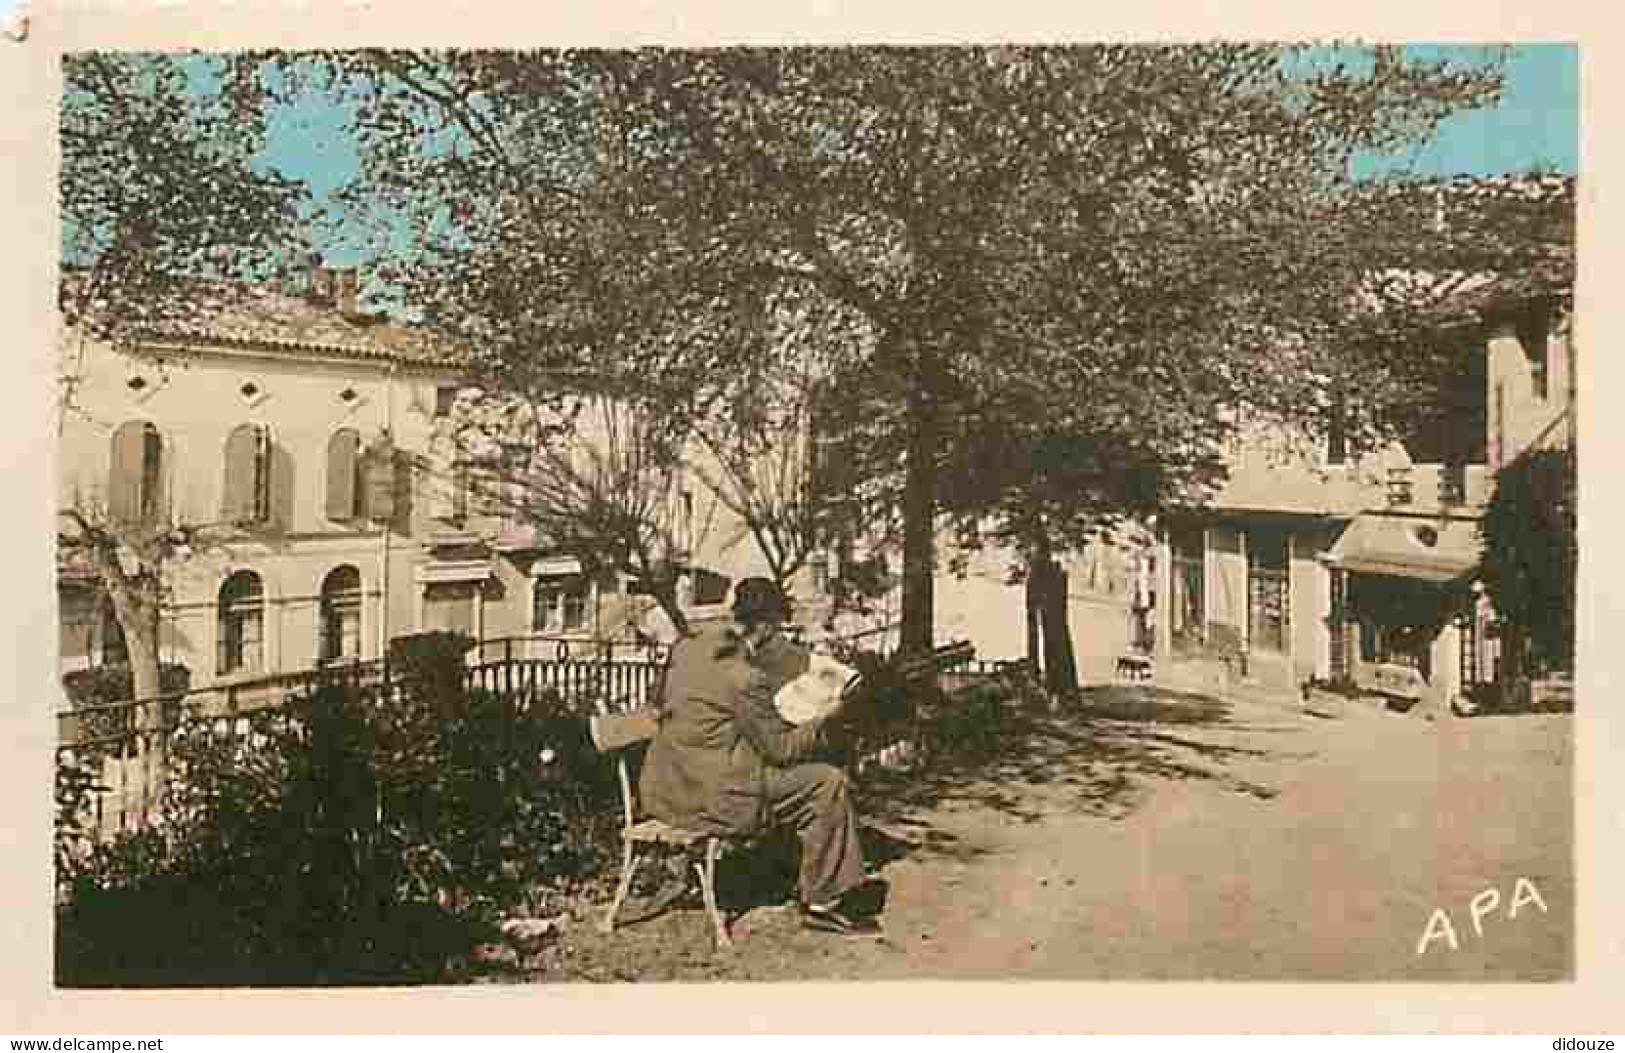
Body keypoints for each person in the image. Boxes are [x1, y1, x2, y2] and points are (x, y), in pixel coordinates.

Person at [638, 577, 879, 937]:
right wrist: (825, 714)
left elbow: (662, 703)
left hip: (668, 789)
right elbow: (780, 751)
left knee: (778, 771)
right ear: (765, 626)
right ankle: (822, 902)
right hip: (714, 799)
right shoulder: (745, 677)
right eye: (778, 630)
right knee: (826, 782)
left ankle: (789, 870)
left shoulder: (687, 647)